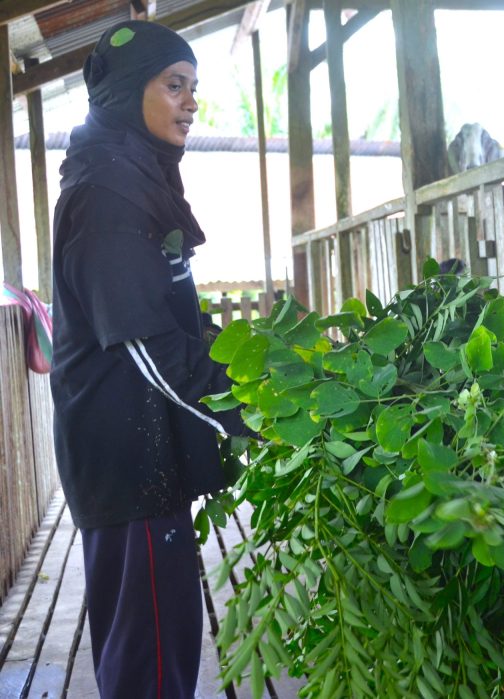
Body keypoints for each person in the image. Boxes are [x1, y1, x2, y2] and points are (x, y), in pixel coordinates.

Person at [49, 20, 247, 699]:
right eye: (175, 86)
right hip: (126, 461)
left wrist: (254, 361)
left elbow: (172, 315)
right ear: (132, 91)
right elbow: (144, 344)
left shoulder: (127, 174)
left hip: (139, 456)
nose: (191, 103)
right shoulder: (107, 193)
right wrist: (248, 405)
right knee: (151, 664)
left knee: (157, 644)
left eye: (194, 88)